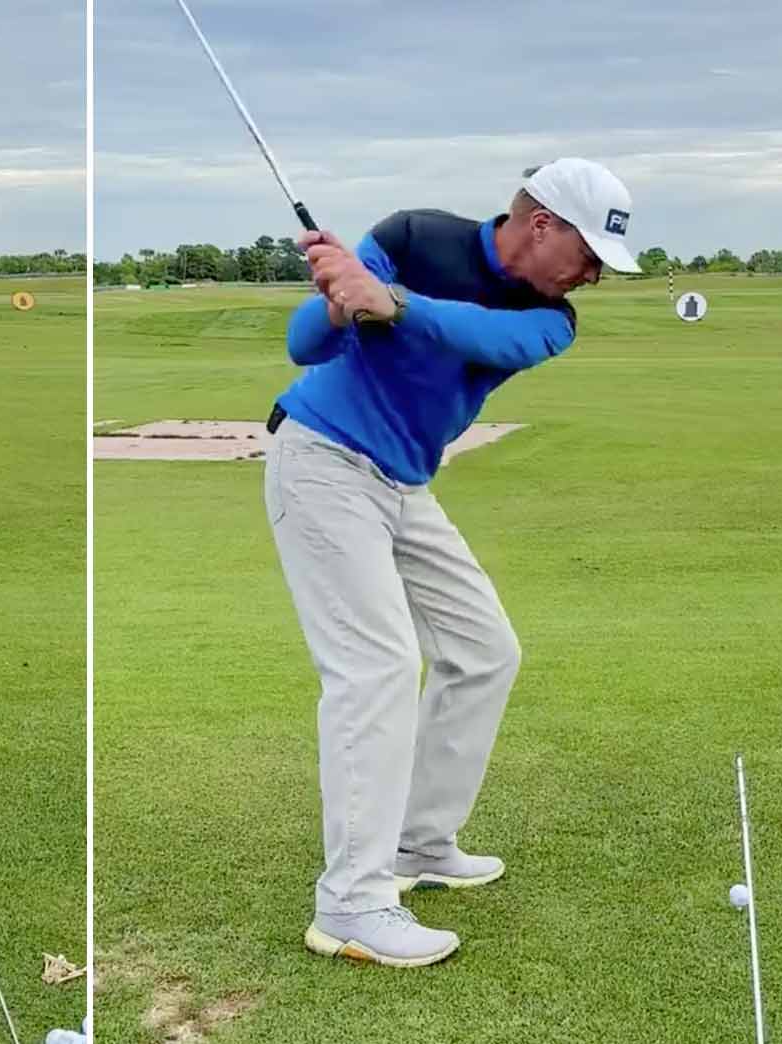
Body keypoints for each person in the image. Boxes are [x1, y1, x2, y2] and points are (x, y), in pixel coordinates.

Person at [264, 158, 640, 967]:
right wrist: (339, 295)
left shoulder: (554, 321)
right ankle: (353, 905)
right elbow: (302, 344)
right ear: (542, 224)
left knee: (485, 651)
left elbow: (476, 334)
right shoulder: (411, 236)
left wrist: (387, 300)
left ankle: (417, 844)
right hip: (323, 462)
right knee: (377, 667)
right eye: (589, 256)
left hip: (402, 482)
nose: (594, 277)